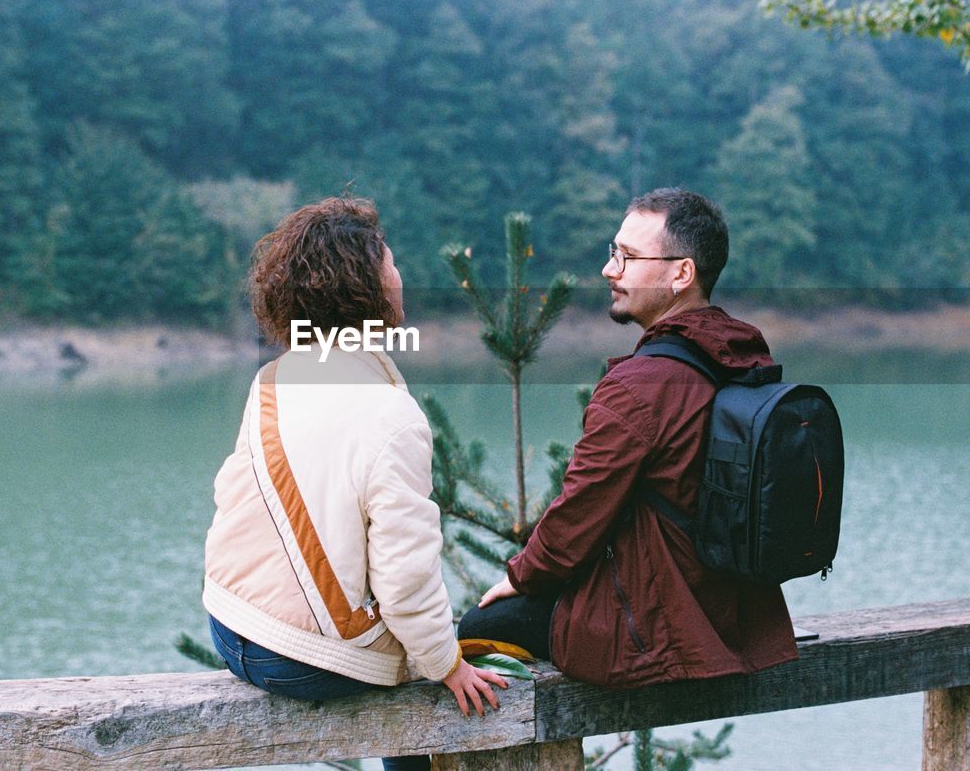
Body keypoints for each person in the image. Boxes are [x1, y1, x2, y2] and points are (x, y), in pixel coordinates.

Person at [203, 197, 507, 769]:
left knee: (411, 642)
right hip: (291, 657)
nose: (401, 276)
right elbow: (405, 573)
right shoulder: (390, 415)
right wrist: (448, 665)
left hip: (227, 624)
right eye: (389, 265)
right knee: (422, 665)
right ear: (361, 287)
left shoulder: (274, 378)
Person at [458, 188, 798, 688]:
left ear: (681, 274)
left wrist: (518, 577)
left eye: (629, 257)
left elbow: (578, 515)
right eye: (612, 252)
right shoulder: (742, 355)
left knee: (474, 631)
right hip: (741, 618)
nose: (609, 270)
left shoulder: (640, 386)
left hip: (658, 628)